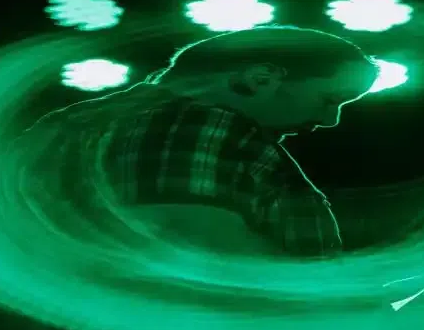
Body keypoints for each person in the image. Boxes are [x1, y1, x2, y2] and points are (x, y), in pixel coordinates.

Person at [30, 25, 379, 257]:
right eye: (330, 99)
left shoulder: (72, 126)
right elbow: (195, 247)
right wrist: (345, 304)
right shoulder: (198, 121)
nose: (330, 120)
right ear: (261, 78)